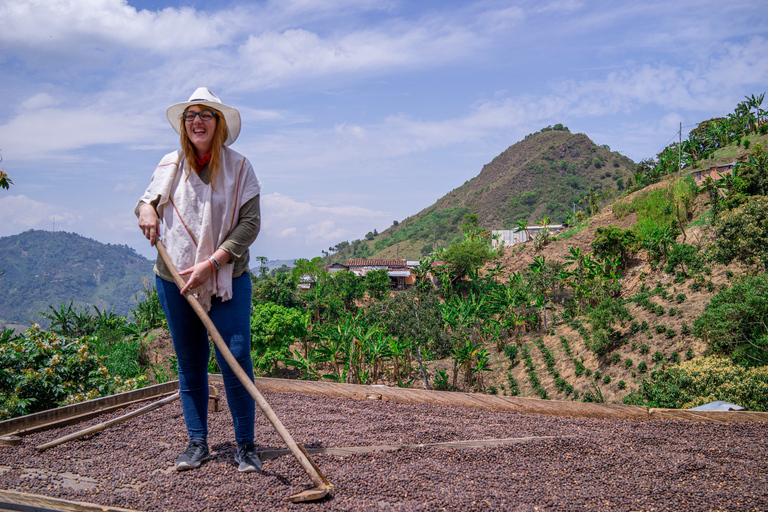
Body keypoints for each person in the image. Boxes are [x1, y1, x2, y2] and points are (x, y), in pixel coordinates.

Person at [136, 87, 262, 473]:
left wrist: (212, 261)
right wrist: (146, 212)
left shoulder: (239, 168)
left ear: (218, 123)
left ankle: (245, 446)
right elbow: (146, 202)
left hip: (226, 277)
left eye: (206, 114)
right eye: (191, 115)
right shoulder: (170, 164)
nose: (197, 121)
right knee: (190, 361)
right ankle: (197, 443)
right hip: (174, 278)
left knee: (235, 357)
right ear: (184, 125)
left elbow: (250, 224)